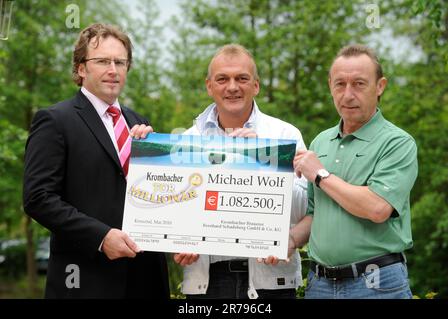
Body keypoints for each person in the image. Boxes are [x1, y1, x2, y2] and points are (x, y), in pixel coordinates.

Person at [23, 23, 169, 298]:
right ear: (81, 68)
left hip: (146, 277)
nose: (113, 70)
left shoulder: (140, 124)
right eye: (102, 61)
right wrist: (101, 237)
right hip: (86, 279)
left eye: (120, 62)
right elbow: (38, 198)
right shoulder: (55, 120)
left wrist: (155, 158)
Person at [173, 44, 312, 299]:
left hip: (271, 282)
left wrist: (261, 163)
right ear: (209, 86)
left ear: (256, 85)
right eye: (223, 79)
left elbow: (306, 209)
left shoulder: (284, 135)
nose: (233, 87)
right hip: (207, 283)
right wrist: (179, 243)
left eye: (242, 78)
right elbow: (176, 210)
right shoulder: (188, 141)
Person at [293, 44, 418, 299]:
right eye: (340, 84)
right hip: (320, 285)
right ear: (330, 85)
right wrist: (288, 241)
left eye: (359, 84)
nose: (348, 94)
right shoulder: (320, 142)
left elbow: (377, 209)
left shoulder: (397, 143)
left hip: (377, 284)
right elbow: (316, 214)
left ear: (380, 86)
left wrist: (320, 174)